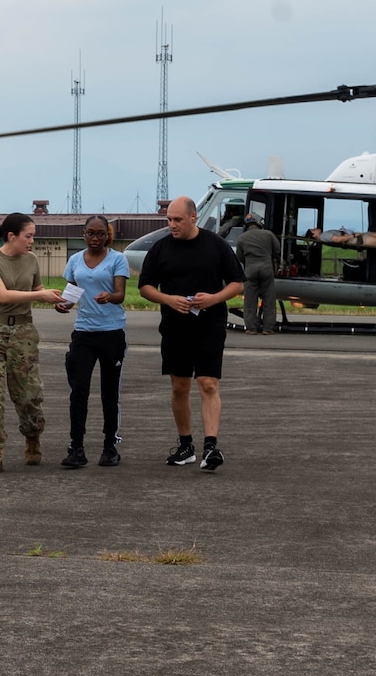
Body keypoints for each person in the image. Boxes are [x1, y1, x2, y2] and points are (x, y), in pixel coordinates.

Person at [136, 196, 245, 472]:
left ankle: (211, 447)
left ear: (193, 217)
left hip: (210, 324)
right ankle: (186, 446)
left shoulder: (215, 245)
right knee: (179, 386)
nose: (172, 225)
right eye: (169, 220)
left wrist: (213, 298)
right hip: (175, 325)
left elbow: (237, 283)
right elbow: (145, 286)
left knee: (208, 383)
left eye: (177, 220)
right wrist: (168, 299)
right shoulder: (160, 249)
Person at [0, 212, 60, 473]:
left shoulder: (31, 260)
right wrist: (40, 295)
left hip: (23, 332)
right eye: (28, 236)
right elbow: (2, 294)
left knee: (28, 393)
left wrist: (55, 300)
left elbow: (38, 289)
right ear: (12, 236)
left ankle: (32, 437)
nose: (32, 241)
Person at [55, 215, 128, 467]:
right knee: (79, 391)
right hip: (84, 333)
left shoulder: (117, 259)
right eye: (90, 233)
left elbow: (120, 294)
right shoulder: (75, 260)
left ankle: (110, 446)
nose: (95, 238)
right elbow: (72, 292)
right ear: (83, 234)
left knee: (109, 392)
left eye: (100, 234)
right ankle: (76, 447)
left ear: (108, 235)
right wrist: (63, 305)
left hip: (111, 333)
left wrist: (110, 296)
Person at [235, 213, 280, 334]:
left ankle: (251, 328)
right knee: (269, 300)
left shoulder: (242, 238)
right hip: (266, 269)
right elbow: (277, 250)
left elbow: (239, 257)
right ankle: (268, 328)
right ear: (259, 222)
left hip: (250, 270)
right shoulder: (268, 234)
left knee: (250, 301)